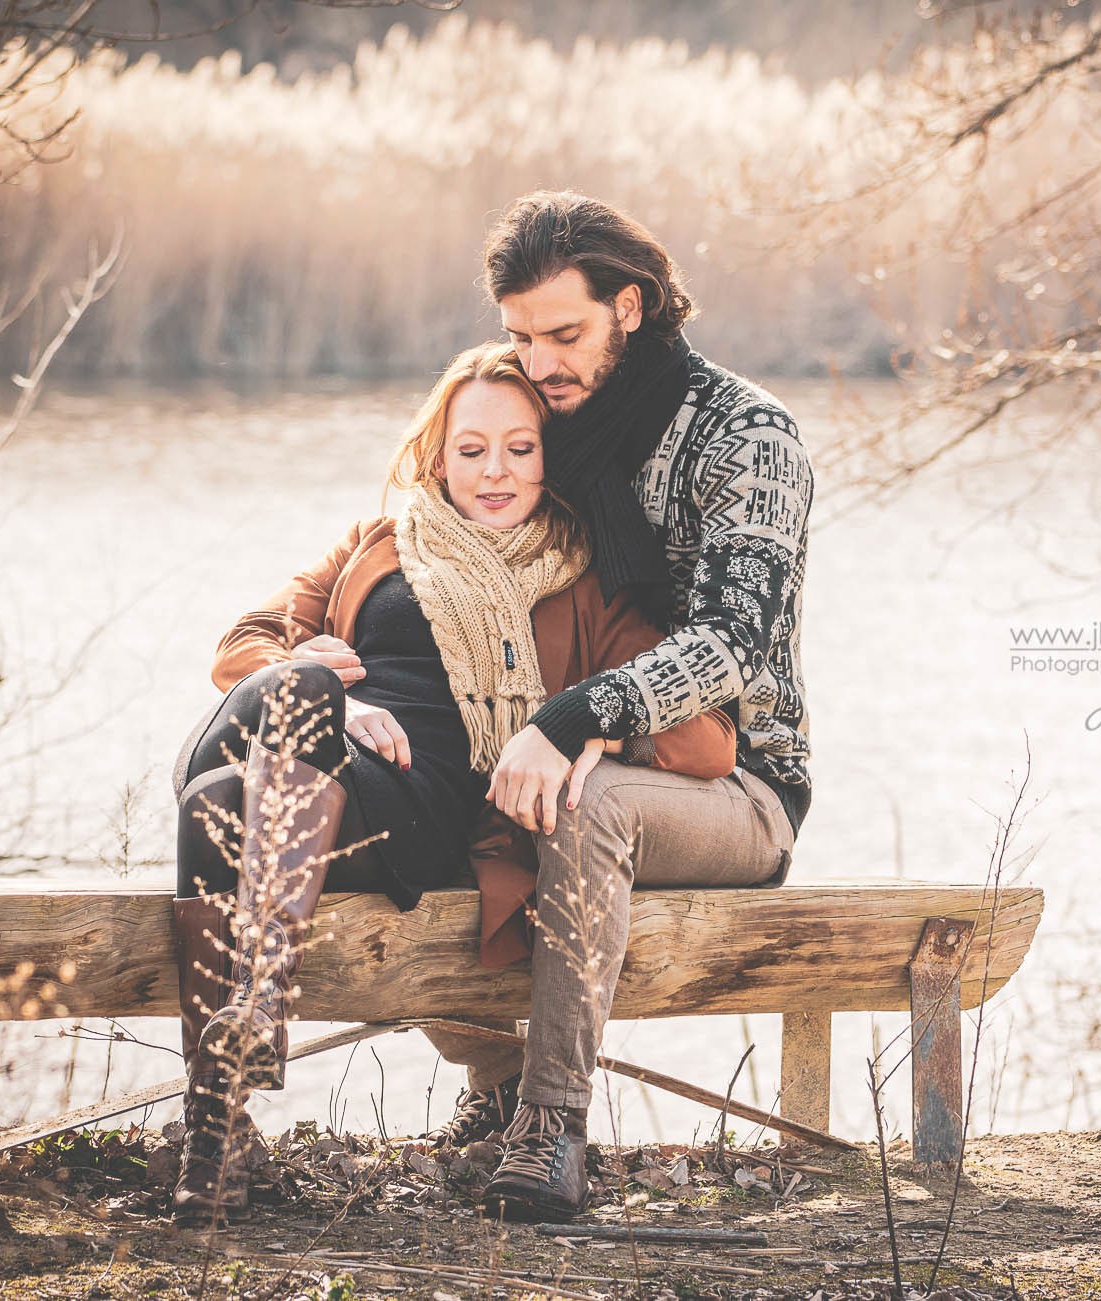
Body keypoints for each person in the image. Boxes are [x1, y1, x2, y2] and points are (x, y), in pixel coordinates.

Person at [167, 342, 736, 1225]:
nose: (496, 471)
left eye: (521, 447)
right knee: (276, 717)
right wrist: (330, 694)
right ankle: (221, 1128)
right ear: (438, 455)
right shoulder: (378, 544)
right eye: (472, 450)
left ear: (553, 455)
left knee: (210, 792)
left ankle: (218, 1116)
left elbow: (707, 740)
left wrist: (596, 727)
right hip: (322, 774)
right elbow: (241, 642)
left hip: (429, 813)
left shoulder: (592, 576)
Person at [422, 191, 813, 1224]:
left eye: (564, 334)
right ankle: (490, 1075)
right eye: (519, 337)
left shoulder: (749, 437)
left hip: (732, 786)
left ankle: (548, 1124)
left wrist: (573, 717)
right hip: (572, 752)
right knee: (418, 787)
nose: (540, 362)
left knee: (583, 804)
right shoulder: (550, 432)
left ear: (630, 308)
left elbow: (732, 640)